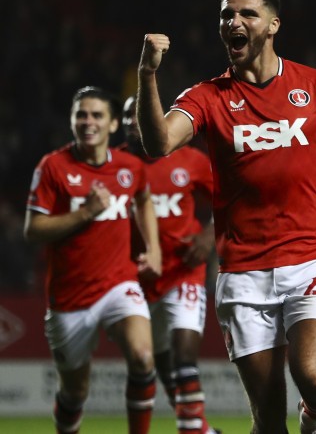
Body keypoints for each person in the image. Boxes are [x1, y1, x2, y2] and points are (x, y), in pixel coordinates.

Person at [135, 0, 316, 434]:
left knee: (313, 379)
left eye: (246, 14)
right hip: (242, 273)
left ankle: (313, 416)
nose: (233, 22)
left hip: (309, 260)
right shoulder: (207, 96)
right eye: (225, 15)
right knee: (268, 420)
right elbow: (157, 144)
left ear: (273, 25)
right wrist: (147, 74)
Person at [24, 86, 162, 434]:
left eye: (97, 115)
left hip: (120, 284)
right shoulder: (53, 167)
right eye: (81, 114)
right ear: (72, 120)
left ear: (113, 124)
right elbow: (33, 229)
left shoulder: (130, 168)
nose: (88, 122)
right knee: (75, 392)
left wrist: (154, 247)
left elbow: (143, 199)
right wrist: (86, 213)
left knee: (144, 357)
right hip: (70, 299)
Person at [120, 96, 220, 434]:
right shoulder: (114, 164)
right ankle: (201, 429)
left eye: (140, 115)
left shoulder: (190, 160)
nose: (134, 122)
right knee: (159, 368)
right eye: (127, 117)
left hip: (183, 271)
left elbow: (232, 198)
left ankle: (191, 430)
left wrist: (209, 237)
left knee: (184, 359)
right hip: (136, 279)